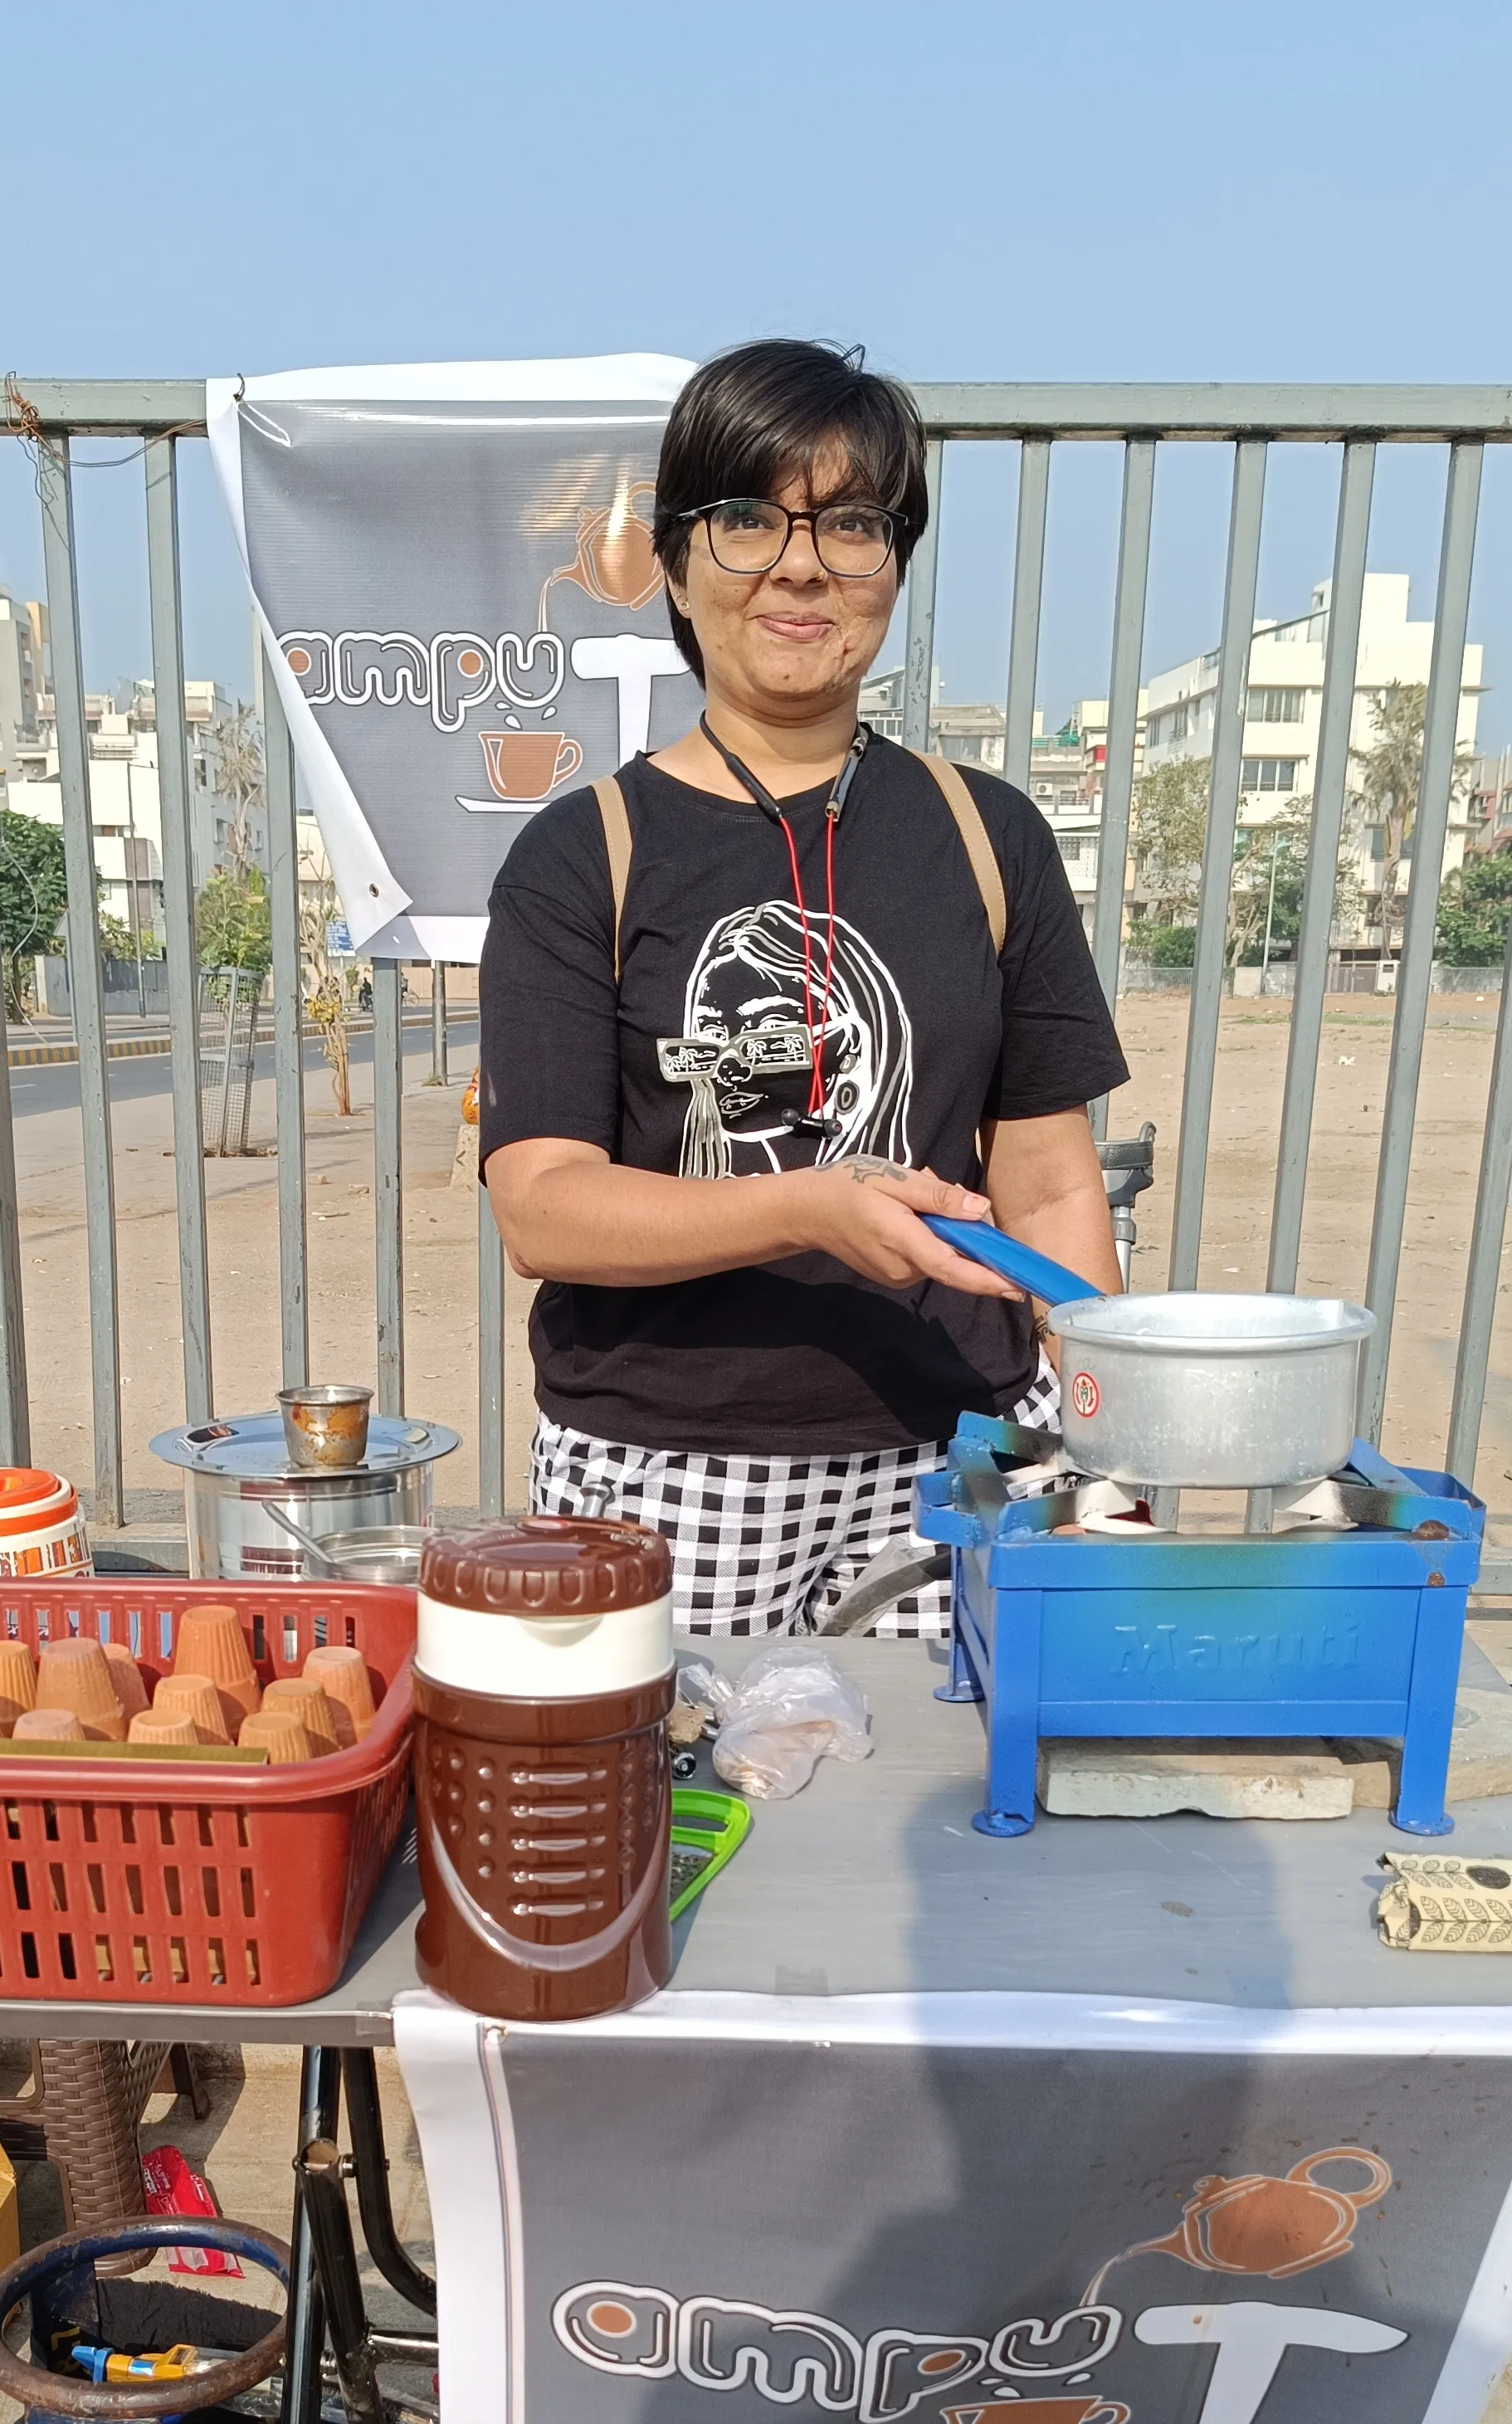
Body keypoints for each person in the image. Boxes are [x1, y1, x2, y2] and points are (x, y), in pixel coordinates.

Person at [477, 335, 1129, 1636]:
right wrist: (813, 1208)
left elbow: (1051, 1183)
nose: (801, 563)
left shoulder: (988, 837)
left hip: (959, 1452)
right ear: (672, 560)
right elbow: (544, 1211)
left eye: (851, 525)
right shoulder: (582, 854)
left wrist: (1123, 1432)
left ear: (893, 566)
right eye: (745, 520)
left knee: (943, 1824)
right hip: (664, 1468)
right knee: (679, 1824)